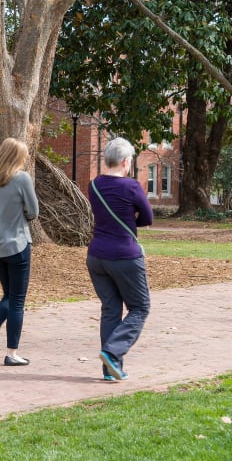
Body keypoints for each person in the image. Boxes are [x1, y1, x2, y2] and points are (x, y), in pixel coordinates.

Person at [86, 137, 151, 382]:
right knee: (140, 307)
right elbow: (147, 217)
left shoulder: (94, 185)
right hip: (124, 255)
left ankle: (110, 371)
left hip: (96, 256)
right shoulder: (131, 186)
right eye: (131, 160)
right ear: (125, 161)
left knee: (111, 309)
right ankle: (112, 354)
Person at [0, 137, 39, 367]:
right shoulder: (22, 179)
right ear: (17, 157)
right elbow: (34, 211)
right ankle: (12, 353)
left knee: (8, 295)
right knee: (17, 300)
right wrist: (22, 218)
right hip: (17, 245)